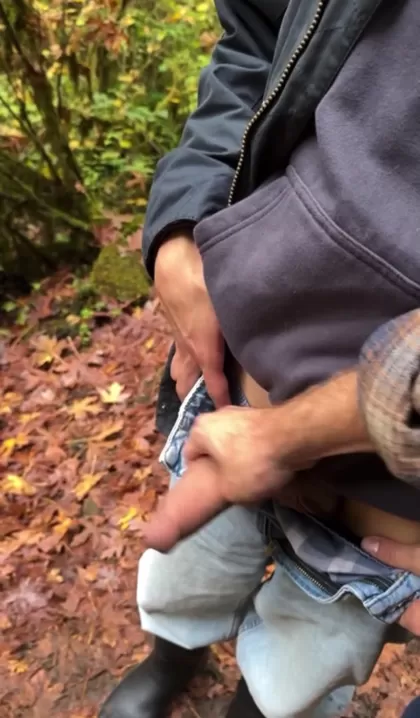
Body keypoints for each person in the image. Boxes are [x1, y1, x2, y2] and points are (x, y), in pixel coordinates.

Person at [99, 2, 420, 717]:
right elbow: (254, 36)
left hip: (390, 519)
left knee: (306, 655)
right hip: (236, 390)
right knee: (188, 571)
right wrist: (181, 223)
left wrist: (289, 437)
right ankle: (173, 654)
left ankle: (260, 705)